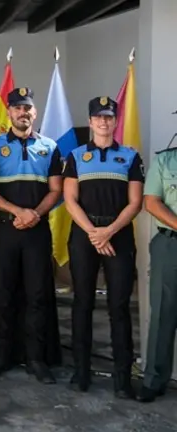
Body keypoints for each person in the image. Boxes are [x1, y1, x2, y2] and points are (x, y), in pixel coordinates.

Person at [62, 96, 144, 398]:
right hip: (84, 234)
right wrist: (94, 233)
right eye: (98, 117)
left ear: (115, 120)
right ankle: (80, 371)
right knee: (82, 303)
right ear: (91, 121)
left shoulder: (130, 156)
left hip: (118, 234)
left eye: (109, 117)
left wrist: (107, 232)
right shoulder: (76, 156)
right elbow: (70, 200)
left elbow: (135, 203)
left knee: (119, 307)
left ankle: (122, 378)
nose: (103, 122)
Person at [0, 87, 62, 384]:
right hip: (4, 230)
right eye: (17, 108)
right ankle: (1, 356)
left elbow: (56, 190)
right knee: (2, 294)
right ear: (9, 112)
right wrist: (18, 212)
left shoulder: (50, 147)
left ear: (34, 113)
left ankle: (36, 358)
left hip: (37, 230)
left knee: (37, 295)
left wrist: (34, 214)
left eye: (27, 108)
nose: (22, 113)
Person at [138, 143, 177, 402]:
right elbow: (152, 202)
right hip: (170, 244)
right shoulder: (165, 161)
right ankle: (154, 380)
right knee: (163, 312)